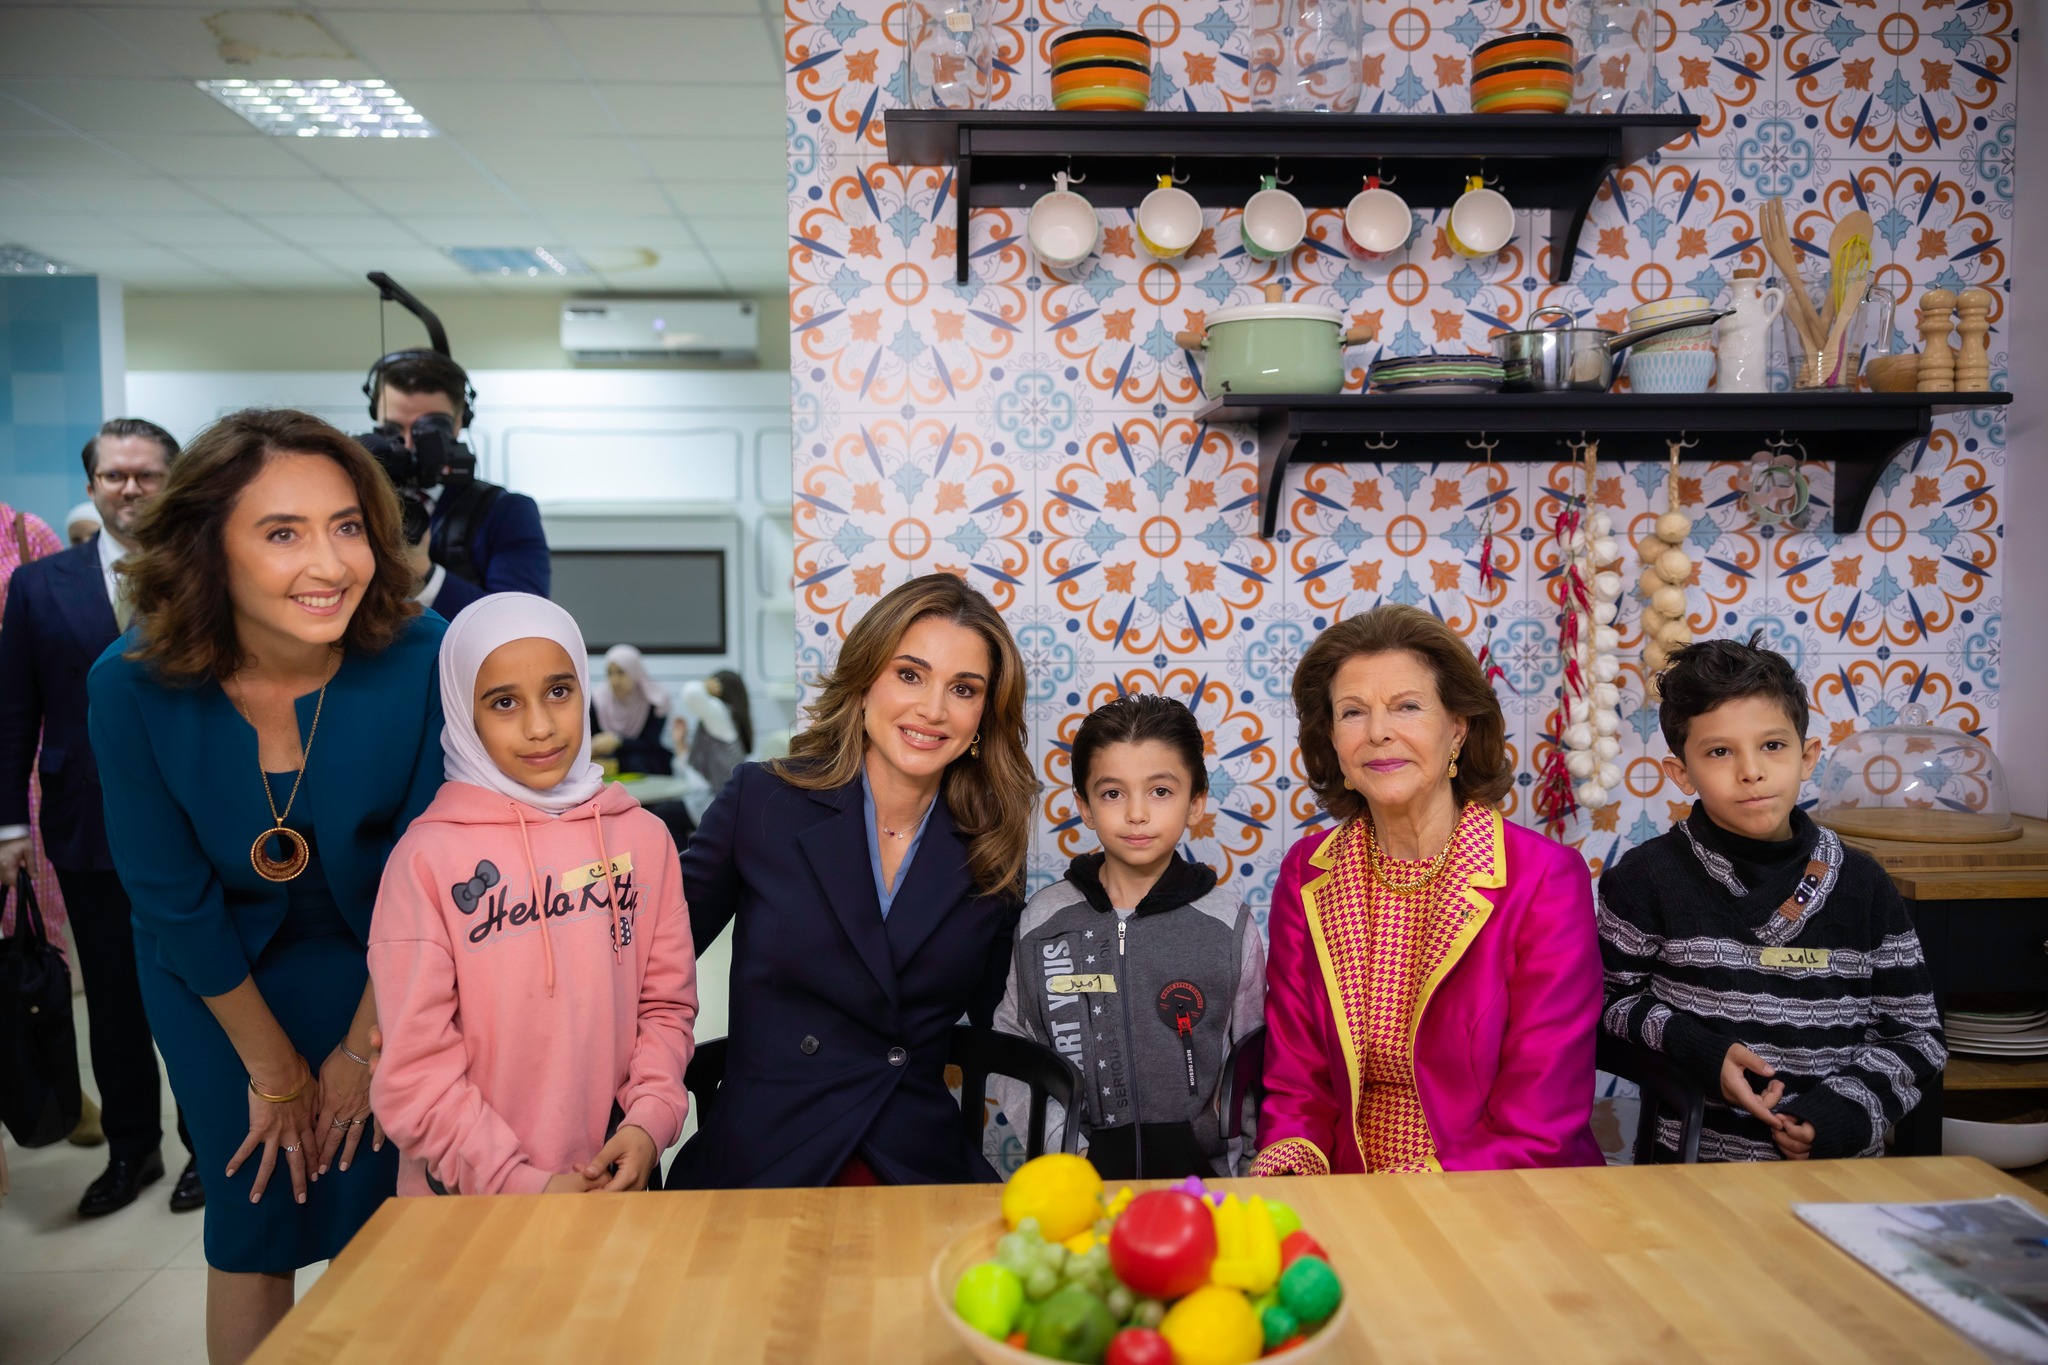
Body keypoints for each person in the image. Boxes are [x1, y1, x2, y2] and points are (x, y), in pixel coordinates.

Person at [87, 408, 444, 1365]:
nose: (329, 564)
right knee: (255, 1212)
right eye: (282, 532)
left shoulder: (420, 655)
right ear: (210, 545)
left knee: (384, 1210)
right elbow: (167, 894)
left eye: (347, 526)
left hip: (388, 963)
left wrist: (362, 1050)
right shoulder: (128, 685)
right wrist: (277, 1069)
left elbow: (431, 871)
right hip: (213, 977)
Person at [666, 572, 1031, 1188]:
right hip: (768, 1153)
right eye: (909, 675)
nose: (932, 710)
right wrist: (637, 1114)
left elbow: (1009, 1018)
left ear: (983, 719)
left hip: (913, 1160)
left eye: (963, 689)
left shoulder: (992, 847)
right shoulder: (763, 801)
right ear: (863, 683)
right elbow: (650, 974)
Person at [1254, 605, 1604, 1177]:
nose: (1378, 732)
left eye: (1407, 707)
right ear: (1334, 742)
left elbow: (1540, 1119)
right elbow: (1296, 1078)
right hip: (1347, 1186)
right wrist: (1295, 1167)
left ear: (1458, 729)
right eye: (1352, 712)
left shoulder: (1545, 877)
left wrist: (1415, 1195)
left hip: (1495, 1191)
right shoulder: (1306, 872)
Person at [369, 595, 695, 1197]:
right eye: (504, 703)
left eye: (558, 691)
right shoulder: (426, 861)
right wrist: (518, 1182)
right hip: (472, 1198)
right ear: (462, 714)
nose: (540, 726)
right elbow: (415, 1068)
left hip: (615, 1175)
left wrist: (649, 1123)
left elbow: (665, 1008)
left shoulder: (643, 840)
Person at [1598, 636, 1946, 1162]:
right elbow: (1604, 1004)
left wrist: (1838, 1114)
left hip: (1837, 1175)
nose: (1751, 771)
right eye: (1719, 752)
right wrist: (1702, 1052)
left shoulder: (1863, 884)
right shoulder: (1645, 878)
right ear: (1680, 773)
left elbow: (1917, 1036)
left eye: (1772, 746)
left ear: (1807, 758)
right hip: (1687, 1174)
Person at [0, 421, 207, 1217]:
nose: (129, 488)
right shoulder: (38, 585)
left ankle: (204, 1144)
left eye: (147, 475)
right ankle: (132, 1150)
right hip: (85, 826)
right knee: (114, 1002)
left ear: (172, 482)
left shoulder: (210, 575)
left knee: (194, 991)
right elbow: (14, 712)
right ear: (91, 486)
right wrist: (8, 825)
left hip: (194, 823)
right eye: (114, 475)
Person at [992, 693, 1264, 1178]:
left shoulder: (1228, 924)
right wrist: (1065, 1155)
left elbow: (1254, 1058)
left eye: (1160, 791)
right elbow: (1015, 1043)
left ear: (1196, 801)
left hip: (1203, 1187)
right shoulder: (1044, 920)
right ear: (1085, 807)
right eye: (1112, 793)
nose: (1136, 814)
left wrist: (1248, 1171)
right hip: (1078, 1188)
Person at [367, 350, 548, 617]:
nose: (407, 444)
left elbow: (522, 621)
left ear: (459, 421)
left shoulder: (507, 512)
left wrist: (424, 575)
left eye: (426, 429)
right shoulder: (356, 500)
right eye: (392, 429)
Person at [591, 644, 674, 776]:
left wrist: (618, 741)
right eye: (610, 673)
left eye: (621, 672)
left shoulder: (655, 700)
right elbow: (591, 737)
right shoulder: (598, 700)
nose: (615, 680)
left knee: (636, 761)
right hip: (608, 763)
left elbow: (651, 743)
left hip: (645, 761)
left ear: (634, 671)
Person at [673, 669, 752, 795]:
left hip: (713, 802)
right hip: (713, 799)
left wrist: (703, 686)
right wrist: (680, 742)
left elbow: (690, 693)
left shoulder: (721, 713)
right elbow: (693, 771)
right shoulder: (727, 720)